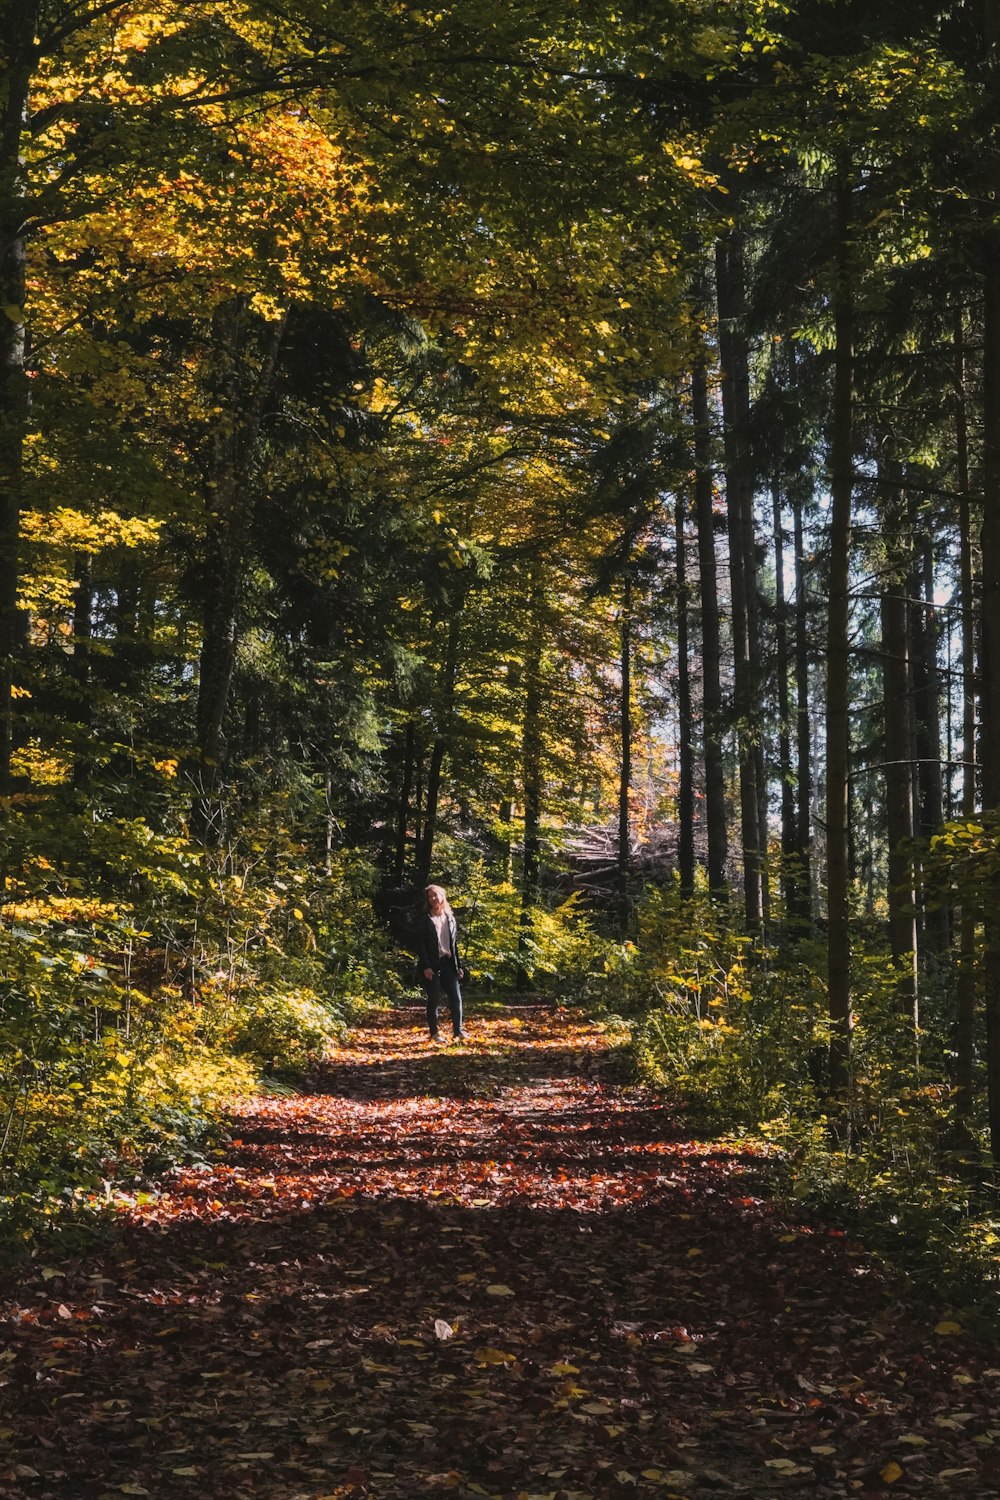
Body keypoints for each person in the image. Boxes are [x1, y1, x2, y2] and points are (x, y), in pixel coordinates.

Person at [416, 884, 466, 1043]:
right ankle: (434, 1033)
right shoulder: (426, 919)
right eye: (430, 896)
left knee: (456, 998)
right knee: (434, 999)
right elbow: (421, 944)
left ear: (442, 896)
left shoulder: (450, 918)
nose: (433, 898)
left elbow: (454, 945)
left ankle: (458, 1031)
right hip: (432, 964)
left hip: (449, 963)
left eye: (435, 895)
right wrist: (426, 966)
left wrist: (459, 967)